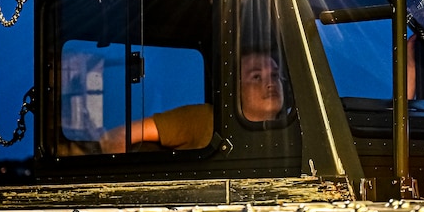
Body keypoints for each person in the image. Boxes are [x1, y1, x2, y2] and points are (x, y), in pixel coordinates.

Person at [98, 51, 284, 153]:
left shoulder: (293, 131)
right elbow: (117, 136)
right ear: (234, 88)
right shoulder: (205, 119)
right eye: (257, 76)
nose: (270, 83)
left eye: (275, 75)